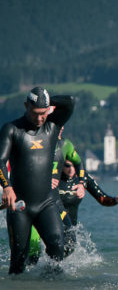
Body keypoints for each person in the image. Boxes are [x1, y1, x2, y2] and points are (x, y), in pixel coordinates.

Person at [0, 87, 75, 274]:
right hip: (20, 206)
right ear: (26, 106)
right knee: (18, 261)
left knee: (58, 248)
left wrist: (48, 100)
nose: (40, 118)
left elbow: (70, 102)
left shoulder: (52, 126)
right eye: (35, 113)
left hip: (46, 203)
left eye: (43, 113)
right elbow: (0, 160)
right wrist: (7, 187)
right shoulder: (12, 129)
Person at [28, 128, 85, 263]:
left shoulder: (65, 144)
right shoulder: (32, 141)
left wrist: (81, 182)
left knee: (70, 242)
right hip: (32, 200)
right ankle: (27, 278)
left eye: (61, 125)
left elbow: (78, 162)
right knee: (32, 253)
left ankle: (51, 269)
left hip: (53, 200)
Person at [59, 159, 118, 226]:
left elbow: (102, 199)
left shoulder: (83, 178)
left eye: (75, 165)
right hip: (52, 226)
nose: (71, 169)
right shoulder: (53, 178)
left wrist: (116, 200)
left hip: (70, 229)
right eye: (67, 166)